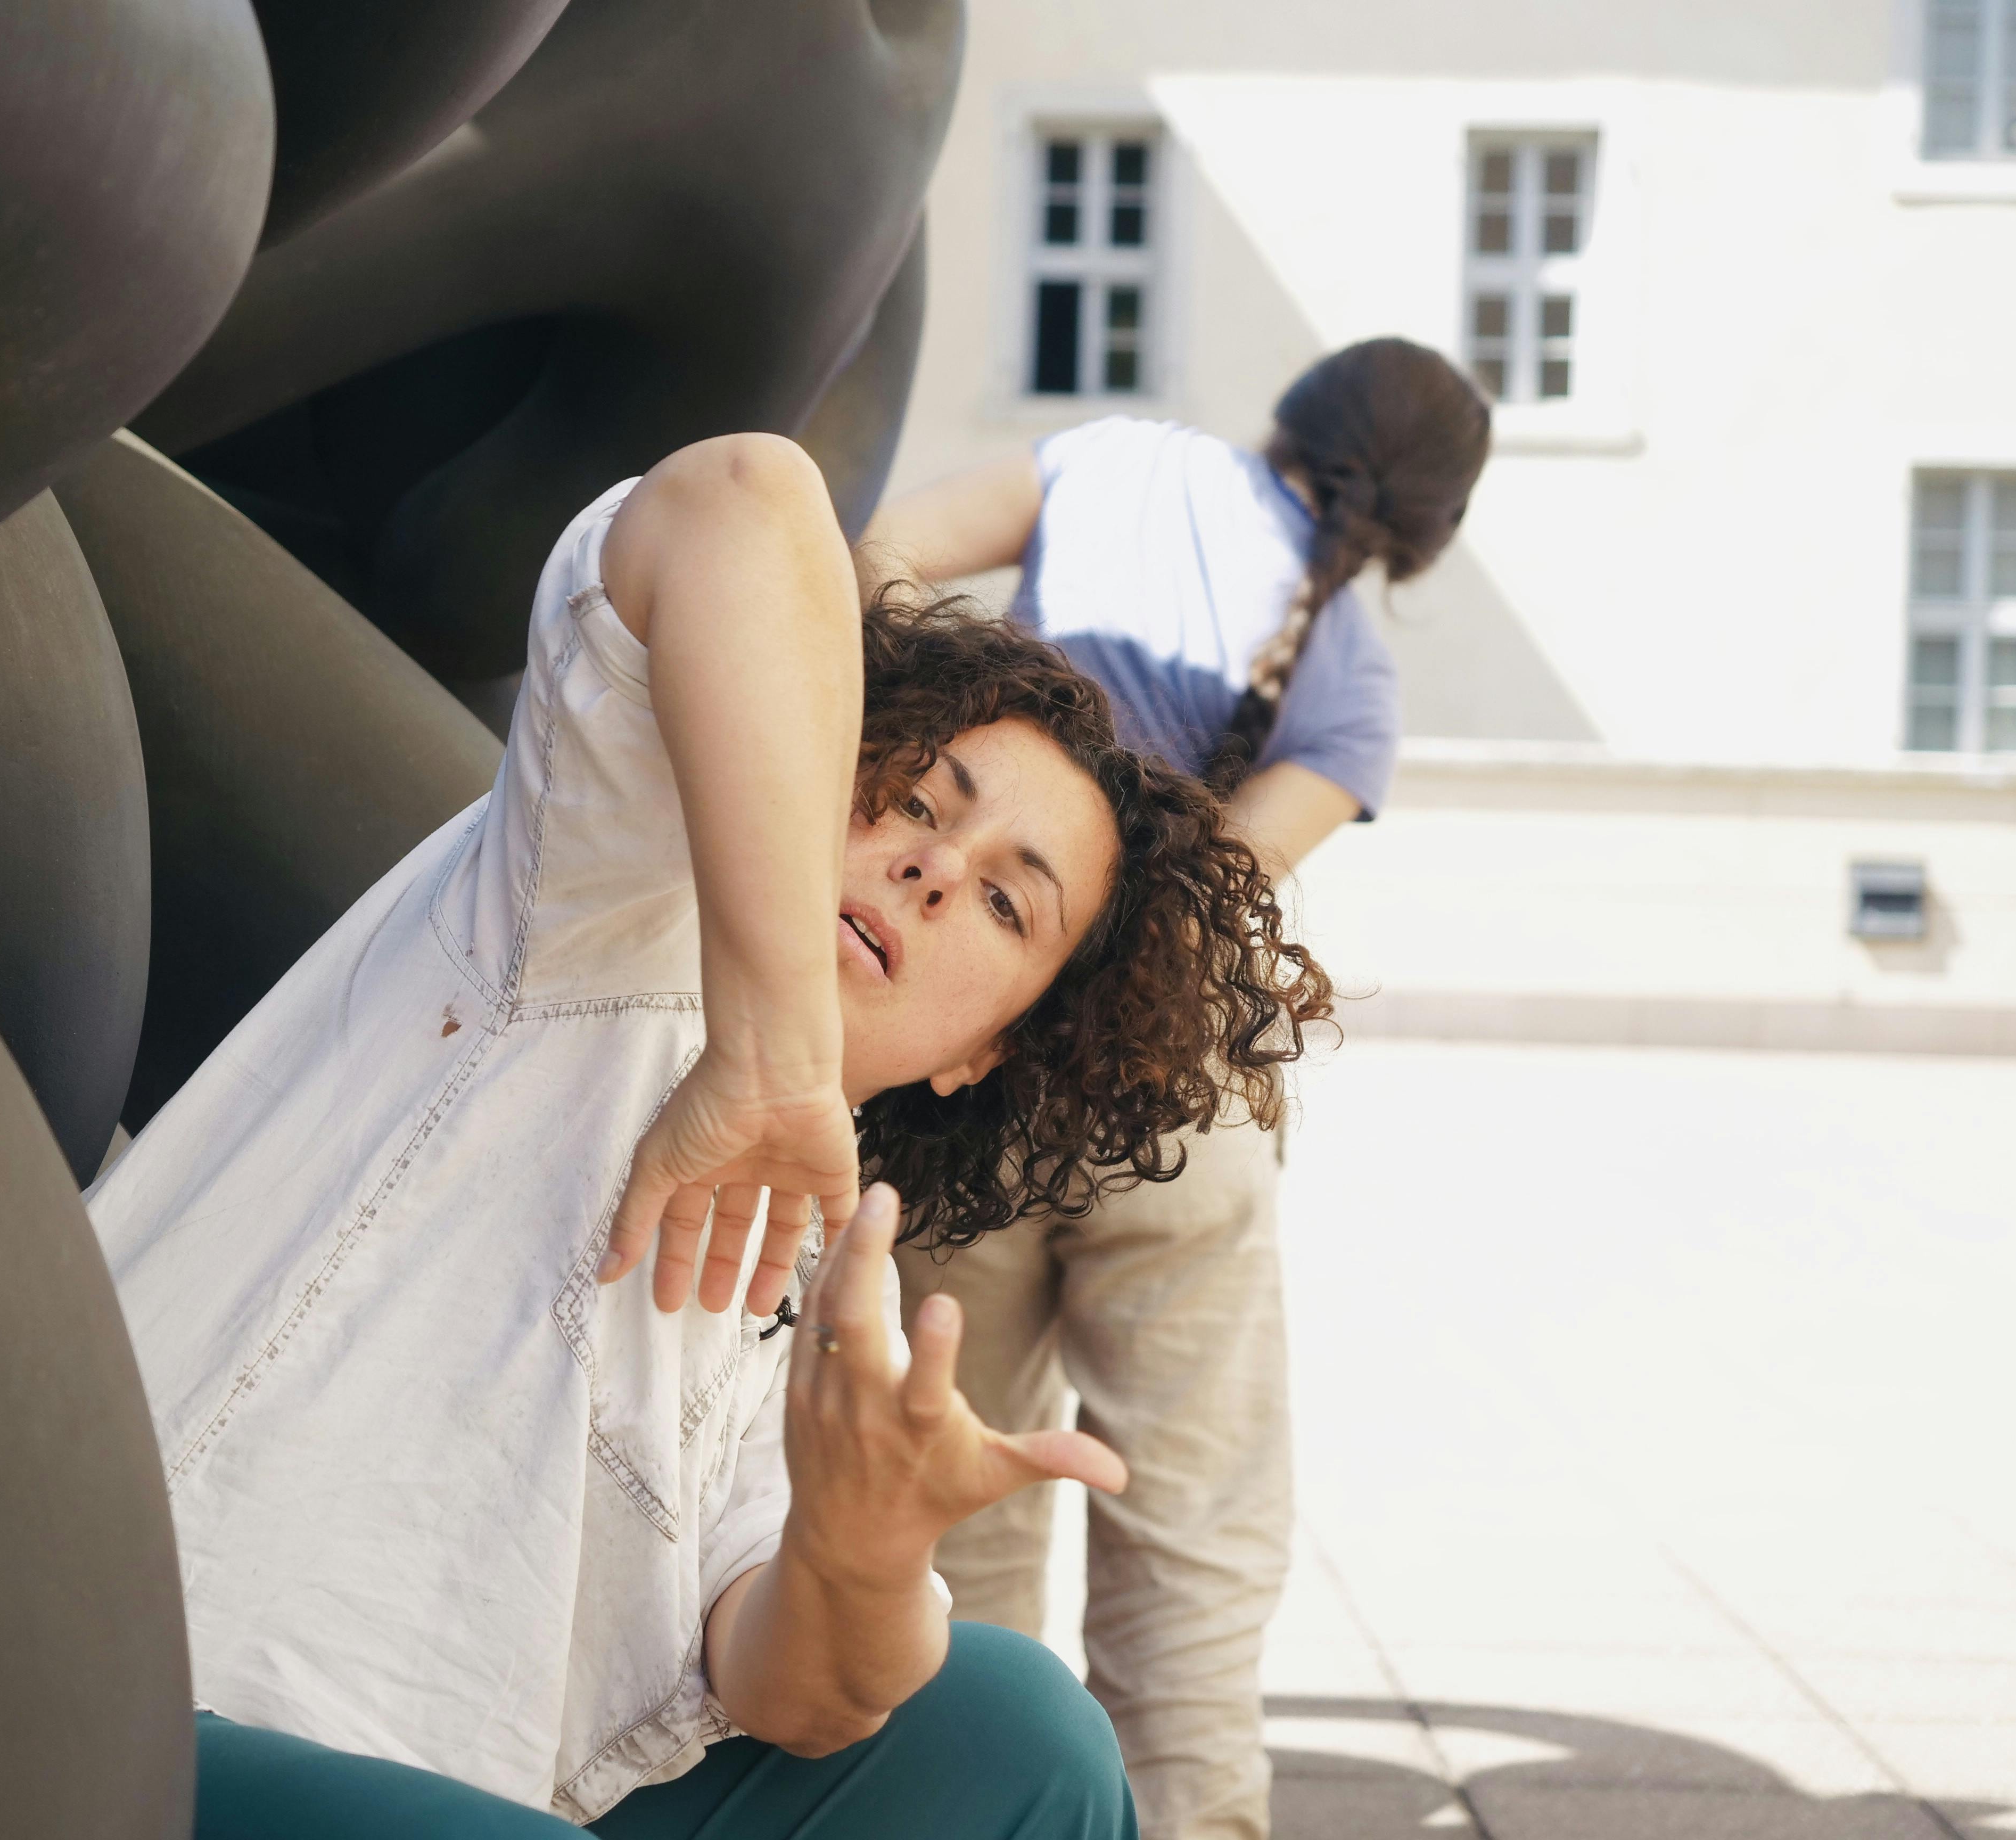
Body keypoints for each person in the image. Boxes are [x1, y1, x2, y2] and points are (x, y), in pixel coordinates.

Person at [86, 432, 1334, 1838]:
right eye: (918, 802)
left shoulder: (804, 1278)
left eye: (1006, 904)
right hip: (100, 1709)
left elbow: (796, 1691)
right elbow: (741, 502)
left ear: (988, 1054)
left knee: (1013, 1730)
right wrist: (769, 1052)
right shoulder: (601, 904)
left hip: (460, 1794)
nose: (936, 867)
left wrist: (863, 1554)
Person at [859, 339, 1492, 1840]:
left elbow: (870, 558)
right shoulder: (1356, 697)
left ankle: (969, 1809)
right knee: (1194, 1530)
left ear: (1296, 415)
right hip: (1177, 1094)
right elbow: (1205, 909)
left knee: (967, 1496)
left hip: (977, 1055)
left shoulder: (1113, 460)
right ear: (1421, 533)